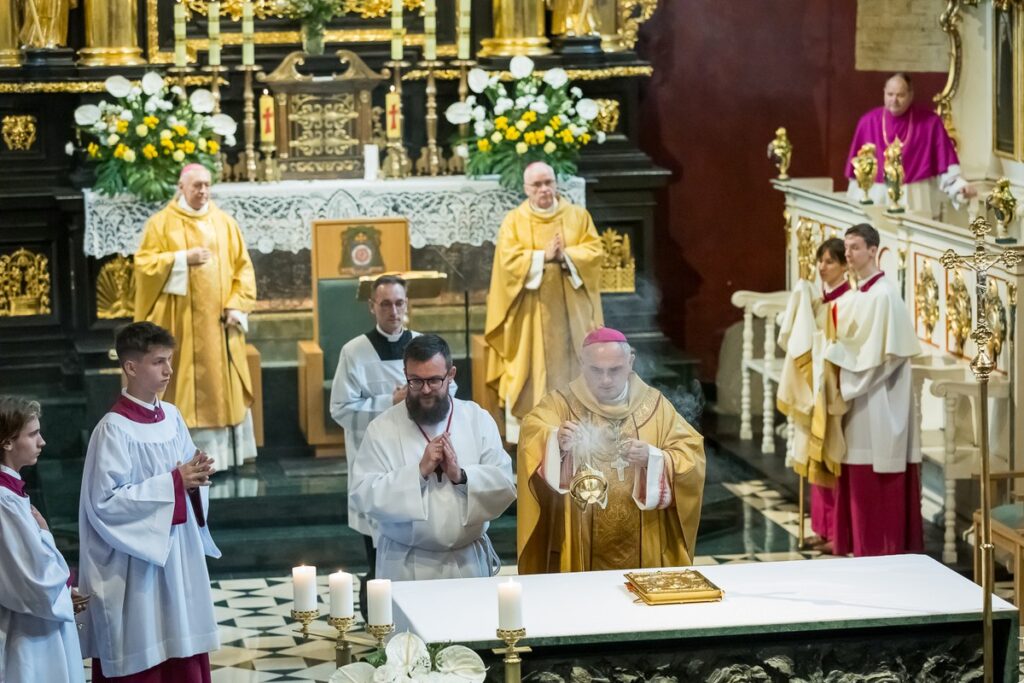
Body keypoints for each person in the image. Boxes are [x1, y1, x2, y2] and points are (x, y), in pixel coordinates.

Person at [78, 322, 221, 682]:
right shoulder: (113, 429)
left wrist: (196, 479)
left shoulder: (172, 417)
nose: (169, 371)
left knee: (181, 639)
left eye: (169, 361)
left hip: (178, 556)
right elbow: (104, 504)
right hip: (137, 566)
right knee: (145, 645)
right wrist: (175, 482)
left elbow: (188, 476)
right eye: (159, 362)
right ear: (130, 367)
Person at [517, 327, 706, 574]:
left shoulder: (654, 404)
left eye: (614, 370)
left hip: (644, 538)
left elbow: (691, 455)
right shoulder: (560, 403)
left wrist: (654, 458)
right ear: (582, 363)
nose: (605, 380)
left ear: (630, 362)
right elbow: (531, 434)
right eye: (596, 370)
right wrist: (555, 441)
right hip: (579, 537)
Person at [350, 334, 516, 581]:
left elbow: (504, 484)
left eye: (434, 380)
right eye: (415, 381)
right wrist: (417, 474)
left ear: (451, 374)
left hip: (467, 562)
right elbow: (363, 493)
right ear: (405, 374)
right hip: (406, 564)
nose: (425, 390)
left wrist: (461, 476)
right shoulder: (382, 428)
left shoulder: (476, 419)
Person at [133, 163, 258, 472]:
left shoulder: (225, 223)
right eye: (196, 186)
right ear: (181, 187)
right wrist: (180, 259)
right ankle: (179, 457)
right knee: (178, 385)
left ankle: (223, 458)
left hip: (218, 327)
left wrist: (235, 305)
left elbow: (243, 268)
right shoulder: (161, 224)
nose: (203, 191)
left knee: (221, 390)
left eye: (207, 185)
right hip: (180, 326)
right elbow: (144, 266)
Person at [484, 161, 605, 443]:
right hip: (531, 317)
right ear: (526, 189)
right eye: (537, 185)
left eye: (548, 182)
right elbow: (507, 262)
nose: (544, 189)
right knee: (530, 370)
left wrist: (566, 256)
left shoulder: (577, 216)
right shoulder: (514, 221)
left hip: (572, 315)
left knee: (577, 367)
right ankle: (532, 434)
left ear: (555, 183)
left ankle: (580, 433)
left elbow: (595, 252)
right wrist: (542, 257)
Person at [824, 224, 924, 556]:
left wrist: (847, 381)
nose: (848, 254)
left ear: (873, 251)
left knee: (876, 480)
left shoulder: (885, 295)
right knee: (855, 474)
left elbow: (888, 358)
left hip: (880, 400)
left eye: (854, 248)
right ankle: (859, 547)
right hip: (861, 398)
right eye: (847, 248)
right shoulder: (859, 294)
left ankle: (882, 550)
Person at [329, 275, 419, 614]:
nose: (393, 311)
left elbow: (447, 396)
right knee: (378, 551)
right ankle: (377, 621)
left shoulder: (424, 347)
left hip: (416, 462)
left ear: (407, 304)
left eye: (399, 303)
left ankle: (416, 614)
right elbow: (340, 409)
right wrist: (388, 403)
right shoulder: (354, 352)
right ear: (372, 307)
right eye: (385, 304)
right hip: (376, 464)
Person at [0, 396, 86, 683]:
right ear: (7, 442)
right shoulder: (5, 503)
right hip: (29, 631)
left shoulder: (12, 495)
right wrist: (47, 534)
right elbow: (31, 579)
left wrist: (62, 590)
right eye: (33, 434)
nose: (42, 442)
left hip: (37, 620)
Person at [776, 238, 853, 552]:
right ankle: (820, 527)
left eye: (830, 262)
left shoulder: (848, 301)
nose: (822, 267)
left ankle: (836, 531)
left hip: (834, 389)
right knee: (812, 455)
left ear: (845, 266)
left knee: (830, 456)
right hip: (815, 386)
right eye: (820, 261)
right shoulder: (820, 299)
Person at [845, 73, 975, 217]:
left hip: (916, 195)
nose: (894, 100)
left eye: (900, 95)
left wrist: (959, 187)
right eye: (890, 94)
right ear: (884, 93)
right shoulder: (868, 122)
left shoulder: (930, 123)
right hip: (878, 195)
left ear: (911, 95)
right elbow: (857, 173)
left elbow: (945, 162)